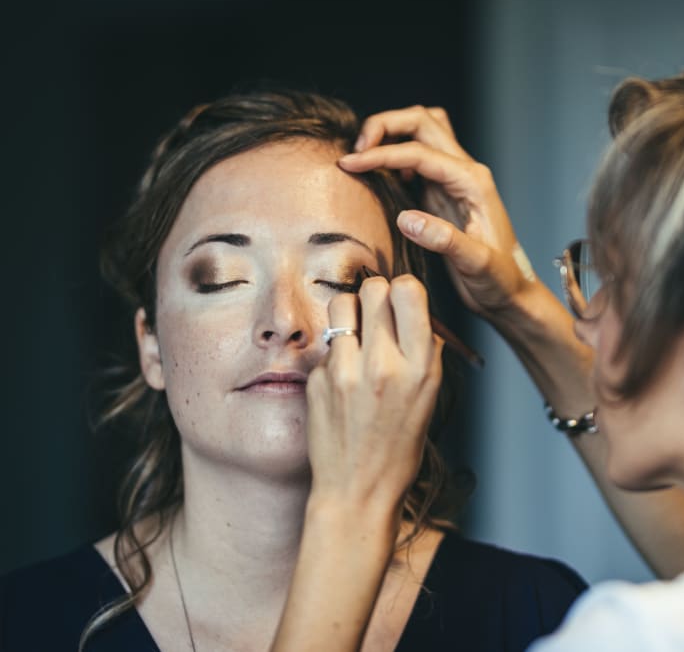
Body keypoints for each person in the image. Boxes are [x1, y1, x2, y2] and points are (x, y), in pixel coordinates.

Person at [322, 49, 684, 649]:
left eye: (609, 281)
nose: (581, 325)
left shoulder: (642, 636)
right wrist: (516, 301)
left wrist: (348, 502)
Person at [0, 90, 587, 651]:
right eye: (222, 278)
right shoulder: (24, 623)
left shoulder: (535, 615)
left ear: (407, 330)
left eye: (338, 278)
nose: (284, 321)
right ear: (150, 346)